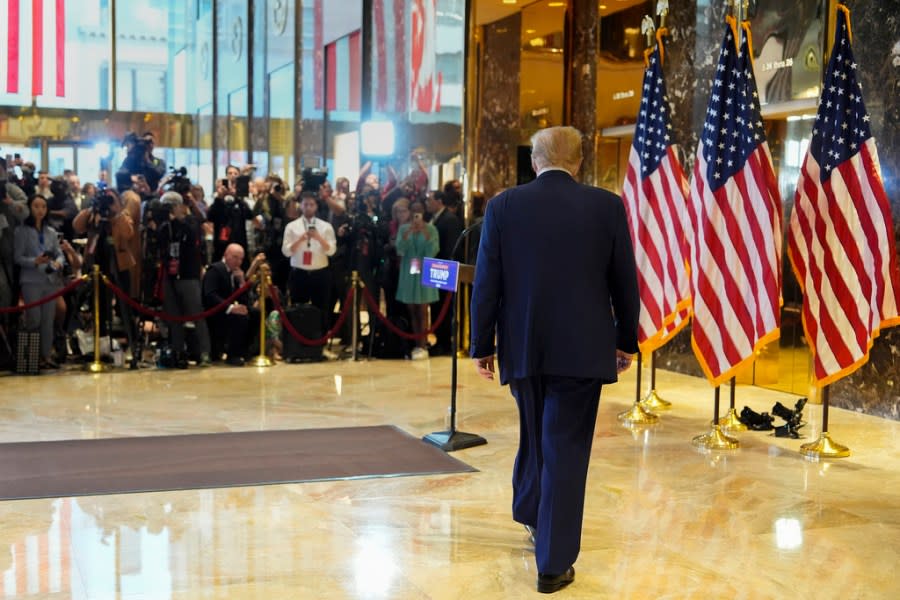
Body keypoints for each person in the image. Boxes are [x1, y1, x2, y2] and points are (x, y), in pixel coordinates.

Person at [469, 126, 640, 594]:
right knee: (563, 445)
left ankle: (531, 513)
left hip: (524, 345)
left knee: (534, 430)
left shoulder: (504, 206)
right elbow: (626, 281)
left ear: (534, 161)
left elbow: (487, 283)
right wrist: (627, 339)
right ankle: (553, 561)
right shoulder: (607, 206)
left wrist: (481, 344)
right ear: (581, 162)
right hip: (583, 348)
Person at [14, 195, 67, 369]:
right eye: (36, 206)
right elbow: (17, 257)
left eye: (43, 206)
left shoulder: (50, 232)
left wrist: (58, 262)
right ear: (30, 208)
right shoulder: (22, 231)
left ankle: (46, 355)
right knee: (34, 319)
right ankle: (32, 357)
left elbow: (59, 253)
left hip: (49, 279)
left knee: (47, 319)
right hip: (31, 280)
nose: (40, 210)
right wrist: (34, 261)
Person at [395, 200, 439, 360]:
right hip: (409, 270)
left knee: (423, 308)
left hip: (425, 269)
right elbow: (400, 249)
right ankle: (415, 343)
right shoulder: (404, 229)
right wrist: (407, 235)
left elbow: (433, 250)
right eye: (413, 211)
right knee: (412, 309)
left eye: (419, 211)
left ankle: (423, 343)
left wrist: (425, 234)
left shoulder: (431, 229)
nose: (416, 214)